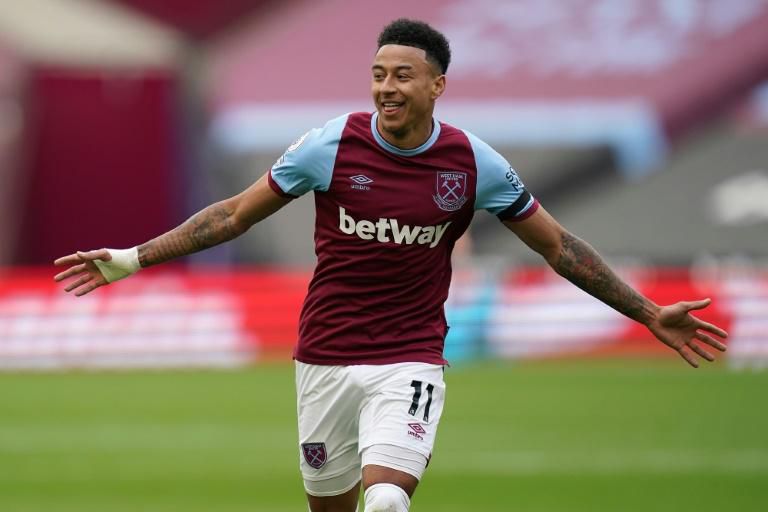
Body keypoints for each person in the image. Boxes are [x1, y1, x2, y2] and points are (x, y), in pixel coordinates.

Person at [54, 18, 728, 512]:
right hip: (323, 357)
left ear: (437, 85)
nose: (386, 88)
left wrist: (646, 311)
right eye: (378, 75)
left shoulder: (475, 164)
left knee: (385, 500)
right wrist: (133, 258)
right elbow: (233, 215)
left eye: (402, 75)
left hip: (409, 358)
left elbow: (559, 247)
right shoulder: (328, 146)